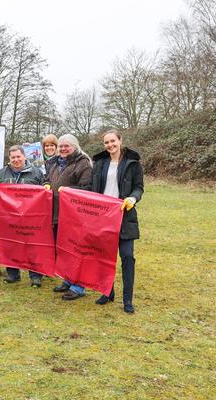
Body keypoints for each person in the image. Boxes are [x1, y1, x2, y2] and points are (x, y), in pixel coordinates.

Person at [89, 129, 144, 313]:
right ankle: (107, 291)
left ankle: (127, 299)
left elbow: (138, 187)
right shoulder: (99, 163)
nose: (110, 145)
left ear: (120, 141)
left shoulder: (133, 163)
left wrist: (133, 199)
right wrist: (68, 190)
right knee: (104, 257)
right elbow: (90, 188)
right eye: (106, 142)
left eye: (113, 141)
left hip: (124, 217)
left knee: (127, 257)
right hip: (102, 217)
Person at [0, 144, 45, 286]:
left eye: (18, 156)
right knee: (11, 244)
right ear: (9, 158)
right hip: (9, 217)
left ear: (24, 156)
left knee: (32, 245)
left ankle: (35, 275)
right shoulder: (1, 173)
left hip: (31, 216)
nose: (16, 160)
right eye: (13, 157)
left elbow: (44, 193)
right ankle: (13, 274)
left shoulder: (36, 173)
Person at [47, 134, 93, 300]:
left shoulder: (83, 164)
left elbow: (87, 188)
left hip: (75, 216)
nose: (63, 149)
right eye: (61, 146)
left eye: (67, 146)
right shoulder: (55, 163)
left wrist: (67, 190)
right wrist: (46, 184)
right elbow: (49, 180)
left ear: (75, 146)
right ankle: (67, 279)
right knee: (63, 250)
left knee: (76, 251)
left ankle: (78, 287)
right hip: (57, 213)